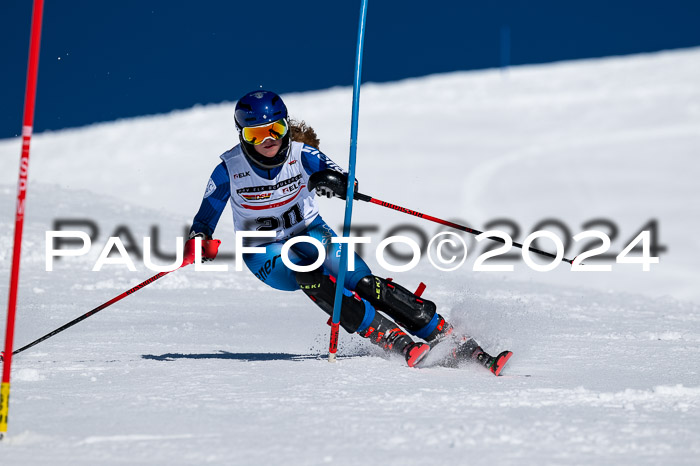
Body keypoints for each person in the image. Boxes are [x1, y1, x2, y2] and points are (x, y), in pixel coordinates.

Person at [183, 90, 511, 374]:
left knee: (365, 283)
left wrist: (337, 183)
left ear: (286, 126)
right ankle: (391, 338)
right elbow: (204, 220)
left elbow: (342, 177)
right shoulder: (229, 169)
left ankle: (455, 342)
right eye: (255, 135)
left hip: (311, 232)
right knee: (305, 270)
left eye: (275, 129)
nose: (268, 140)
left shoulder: (302, 154)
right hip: (263, 250)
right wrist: (199, 242)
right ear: (241, 135)